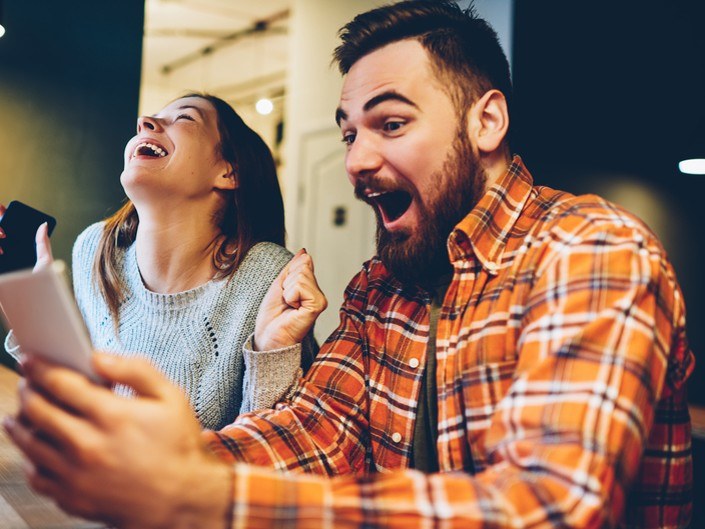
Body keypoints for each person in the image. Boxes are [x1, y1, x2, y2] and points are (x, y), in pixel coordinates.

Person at [4, 2, 694, 528]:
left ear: (485, 122)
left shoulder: (588, 249)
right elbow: (314, 425)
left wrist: (194, 489)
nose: (357, 161)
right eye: (347, 133)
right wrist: (168, 457)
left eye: (390, 124)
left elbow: (547, 504)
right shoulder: (379, 288)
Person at [1, 93, 320, 431]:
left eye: (184, 118)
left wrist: (273, 356)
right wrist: (31, 307)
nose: (145, 123)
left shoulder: (269, 276)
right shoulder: (95, 250)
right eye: (150, 118)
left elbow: (274, 444)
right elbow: (76, 407)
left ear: (229, 172)